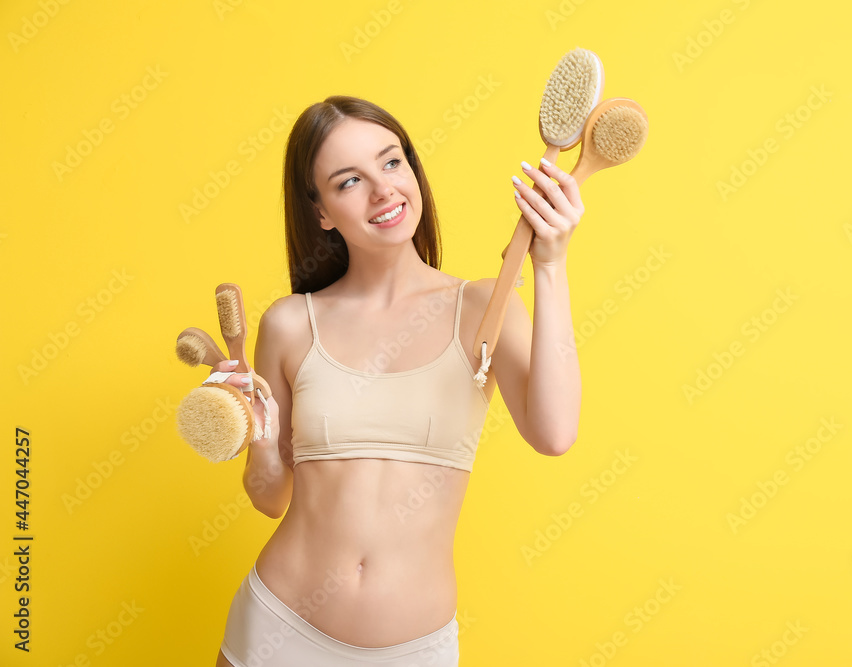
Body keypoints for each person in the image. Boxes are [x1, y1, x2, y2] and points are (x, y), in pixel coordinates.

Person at [213, 95, 583, 666]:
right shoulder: (289, 324)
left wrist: (550, 266)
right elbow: (271, 497)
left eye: (391, 162)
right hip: (278, 630)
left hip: (414, 648)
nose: (383, 190)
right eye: (348, 181)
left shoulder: (484, 307)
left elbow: (554, 434)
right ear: (321, 212)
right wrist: (258, 439)